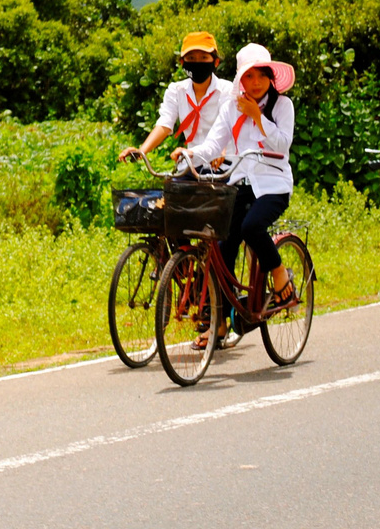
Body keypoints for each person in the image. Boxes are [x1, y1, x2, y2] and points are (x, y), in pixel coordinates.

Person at [185, 43, 299, 346]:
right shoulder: (230, 108)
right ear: (241, 80)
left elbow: (282, 145)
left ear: (271, 77)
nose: (257, 82)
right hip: (239, 184)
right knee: (222, 248)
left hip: (273, 186)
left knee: (251, 228)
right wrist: (189, 153)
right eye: (250, 76)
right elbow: (212, 146)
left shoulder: (282, 106)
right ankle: (219, 323)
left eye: (263, 75)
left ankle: (278, 274)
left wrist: (258, 117)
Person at [118, 31, 235, 167]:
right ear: (182, 63)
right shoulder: (176, 90)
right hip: (192, 166)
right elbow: (165, 124)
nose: (198, 63)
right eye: (191, 58)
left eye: (204, 58)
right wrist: (141, 151)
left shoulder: (227, 89)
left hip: (225, 168)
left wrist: (221, 150)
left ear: (215, 62)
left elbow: (226, 125)